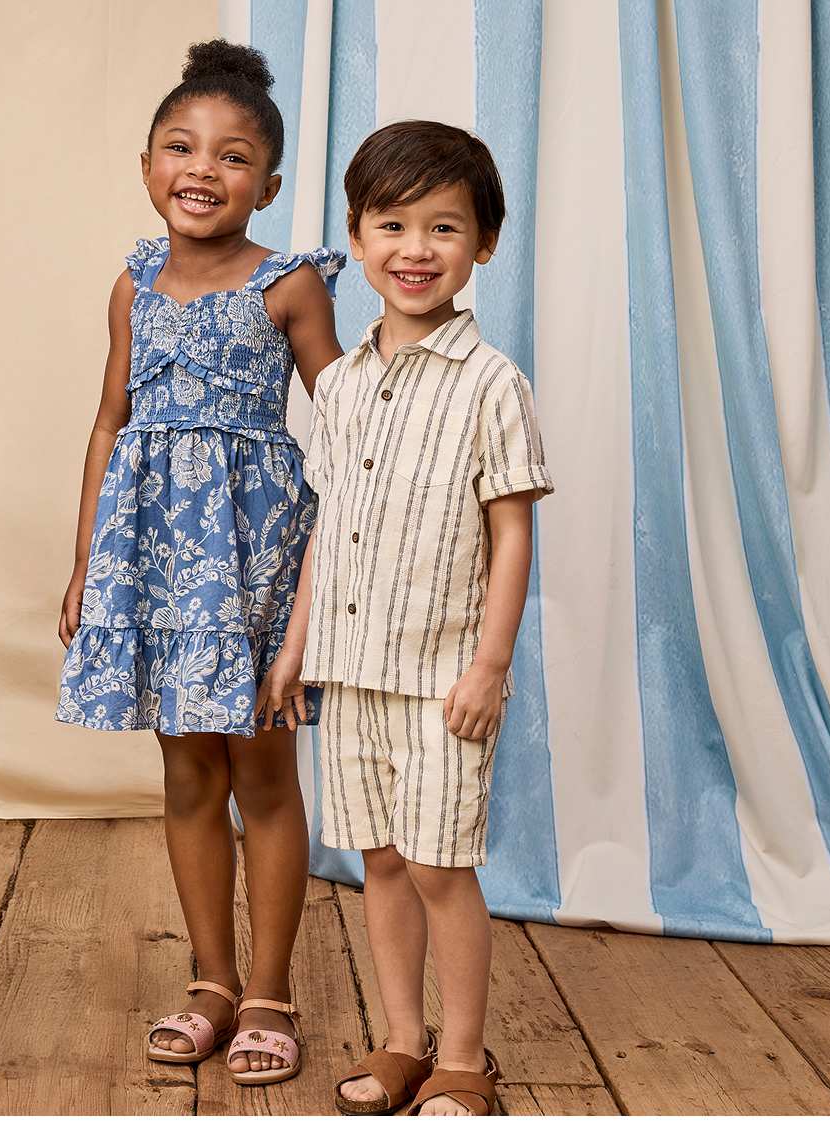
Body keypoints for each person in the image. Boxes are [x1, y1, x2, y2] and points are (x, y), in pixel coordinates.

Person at [55, 38, 344, 1086]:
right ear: (146, 167)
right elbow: (106, 424)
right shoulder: (134, 284)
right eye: (181, 146)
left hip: (255, 557)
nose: (202, 169)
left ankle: (269, 989)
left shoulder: (290, 284)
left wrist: (335, 578)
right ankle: (212, 981)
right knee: (185, 771)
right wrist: (87, 563)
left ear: (266, 185)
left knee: (260, 770)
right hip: (151, 563)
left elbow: (348, 423)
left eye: (232, 157)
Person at [258, 120, 554, 1115]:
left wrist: (490, 664)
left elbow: (510, 532)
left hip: (441, 680)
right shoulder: (336, 386)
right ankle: (402, 1040)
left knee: (438, 864)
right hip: (350, 675)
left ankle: (464, 1057)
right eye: (392, 224)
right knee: (380, 861)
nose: (415, 249)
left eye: (444, 227)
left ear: (484, 244)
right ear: (356, 233)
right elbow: (328, 527)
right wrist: (298, 648)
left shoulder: (490, 383)